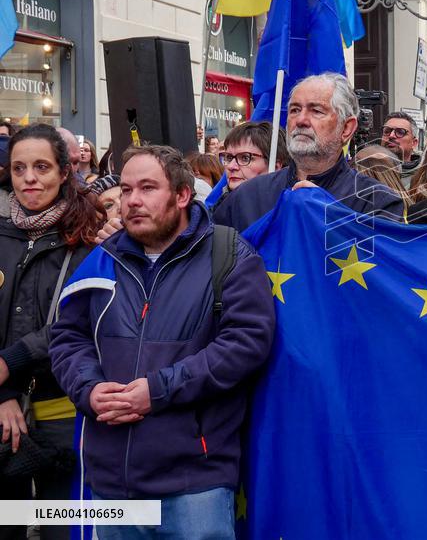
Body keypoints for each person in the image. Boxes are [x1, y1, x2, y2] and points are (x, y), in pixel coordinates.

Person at [50, 145, 276, 540]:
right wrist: (89, 389)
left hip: (194, 485)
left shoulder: (229, 255)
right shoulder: (103, 258)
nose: (132, 201)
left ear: (182, 195)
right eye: (126, 189)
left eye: (148, 188)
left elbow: (245, 343)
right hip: (111, 483)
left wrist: (157, 390)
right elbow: (68, 337)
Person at [0, 124, 103, 540]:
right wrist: (3, 394)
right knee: (8, 524)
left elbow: (79, 322)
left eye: (41, 167)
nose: (29, 178)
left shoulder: (91, 240)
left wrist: (11, 361)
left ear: (65, 172)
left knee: (63, 526)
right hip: (4, 416)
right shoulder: (1, 234)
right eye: (19, 168)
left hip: (65, 413)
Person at [213, 73, 404, 231]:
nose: (301, 120)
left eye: (316, 111)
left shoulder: (376, 202)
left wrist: (328, 213)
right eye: (295, 110)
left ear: (346, 129)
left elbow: (382, 270)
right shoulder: (248, 196)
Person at [216, 121, 290, 208]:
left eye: (245, 158)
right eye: (228, 157)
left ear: (275, 166)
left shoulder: (290, 212)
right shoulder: (217, 211)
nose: (231, 166)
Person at [380, 111, 420, 188]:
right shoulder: (366, 172)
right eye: (387, 131)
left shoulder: (425, 178)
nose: (391, 136)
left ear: (414, 143)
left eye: (400, 132)